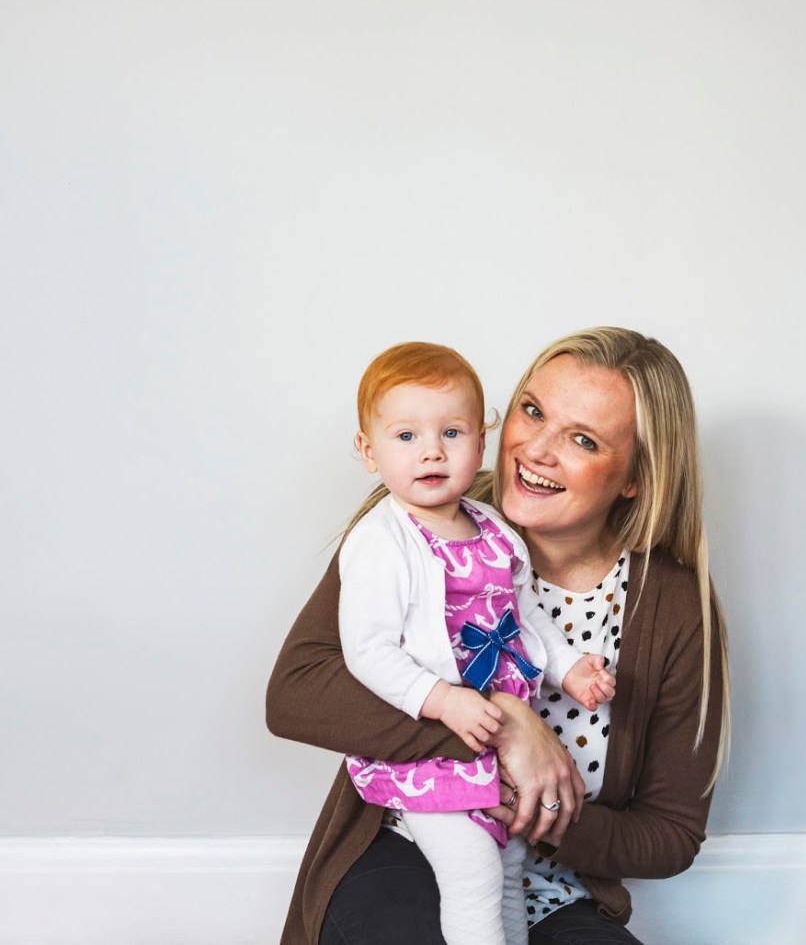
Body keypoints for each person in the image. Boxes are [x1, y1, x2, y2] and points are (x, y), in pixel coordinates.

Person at [267, 326, 731, 945]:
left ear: (634, 477)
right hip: (405, 842)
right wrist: (505, 727)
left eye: (583, 440)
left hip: (555, 890)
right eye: (533, 411)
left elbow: (670, 834)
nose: (536, 450)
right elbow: (297, 693)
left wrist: (541, 811)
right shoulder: (418, 519)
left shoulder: (671, 605)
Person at [333, 342, 616, 945]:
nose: (432, 451)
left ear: (480, 443)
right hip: (429, 755)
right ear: (368, 450)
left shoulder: (494, 529)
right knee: (474, 874)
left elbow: (528, 617)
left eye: (452, 432)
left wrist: (569, 669)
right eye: (406, 436)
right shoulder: (382, 540)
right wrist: (443, 700)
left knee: (508, 872)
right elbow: (366, 651)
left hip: (490, 757)